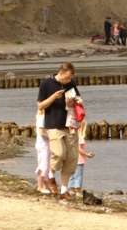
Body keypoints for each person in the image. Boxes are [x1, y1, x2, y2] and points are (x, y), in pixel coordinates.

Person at [37, 62, 81, 199]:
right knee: (59, 153)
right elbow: (40, 105)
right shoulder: (46, 84)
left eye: (70, 78)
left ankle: (64, 190)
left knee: (72, 158)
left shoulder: (71, 84)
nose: (68, 81)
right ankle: (49, 174)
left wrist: (72, 102)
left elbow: (79, 100)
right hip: (53, 124)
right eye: (66, 78)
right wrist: (53, 97)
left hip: (70, 125)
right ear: (61, 73)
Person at [67, 121, 94, 197]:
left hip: (71, 158)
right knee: (78, 175)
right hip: (79, 159)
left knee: (72, 174)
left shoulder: (72, 135)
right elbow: (78, 148)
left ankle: (71, 189)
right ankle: (77, 190)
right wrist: (87, 154)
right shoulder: (80, 136)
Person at [35, 108, 55, 194]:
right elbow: (41, 131)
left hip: (44, 144)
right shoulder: (42, 117)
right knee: (43, 165)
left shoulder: (41, 116)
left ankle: (44, 184)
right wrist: (52, 136)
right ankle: (40, 186)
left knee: (45, 165)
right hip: (43, 144)